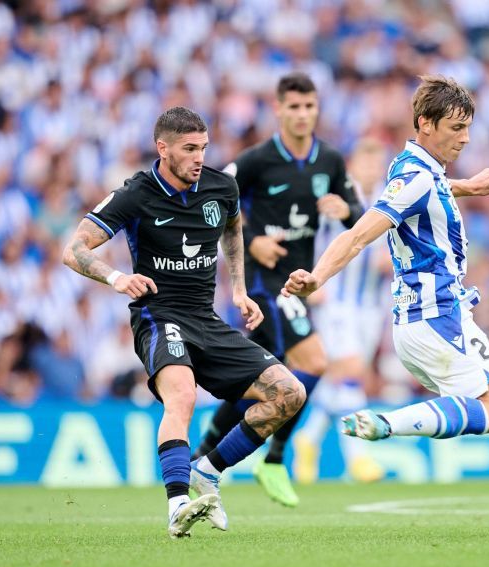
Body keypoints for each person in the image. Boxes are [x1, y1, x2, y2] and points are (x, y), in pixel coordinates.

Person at [283, 75, 489, 537]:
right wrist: (317, 277)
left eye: (468, 129)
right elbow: (361, 234)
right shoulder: (416, 176)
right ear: (425, 122)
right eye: (456, 128)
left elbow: (427, 190)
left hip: (446, 317)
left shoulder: (418, 170)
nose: (464, 139)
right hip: (433, 318)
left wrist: (468, 186)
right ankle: (388, 424)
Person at [63, 107, 305, 538]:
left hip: (206, 319)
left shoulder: (220, 186)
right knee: (183, 395)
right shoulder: (136, 193)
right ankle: (178, 503)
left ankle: (208, 471)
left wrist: (239, 289)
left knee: (289, 393)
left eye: (203, 148)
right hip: (159, 316)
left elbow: (232, 229)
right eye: (190, 149)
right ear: (164, 148)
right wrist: (117, 277)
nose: (199, 157)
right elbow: (75, 248)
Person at [192, 73, 363, 507]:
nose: (303, 115)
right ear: (279, 109)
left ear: (317, 109)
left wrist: (346, 210)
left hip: (301, 282)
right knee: (314, 361)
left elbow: (360, 219)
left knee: (257, 380)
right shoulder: (256, 160)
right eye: (294, 107)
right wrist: (251, 241)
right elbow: (210, 201)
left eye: (310, 107)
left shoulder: (331, 161)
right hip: (267, 284)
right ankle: (273, 456)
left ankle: (203, 454)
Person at [292, 137, 391, 484]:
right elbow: (305, 237)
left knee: (341, 379)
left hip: (371, 306)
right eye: (364, 164)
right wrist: (312, 279)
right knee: (349, 373)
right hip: (335, 300)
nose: (370, 171)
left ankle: (309, 438)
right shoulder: (338, 199)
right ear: (352, 166)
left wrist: (389, 261)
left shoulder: (388, 198)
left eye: (375, 165)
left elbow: (396, 244)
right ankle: (359, 457)